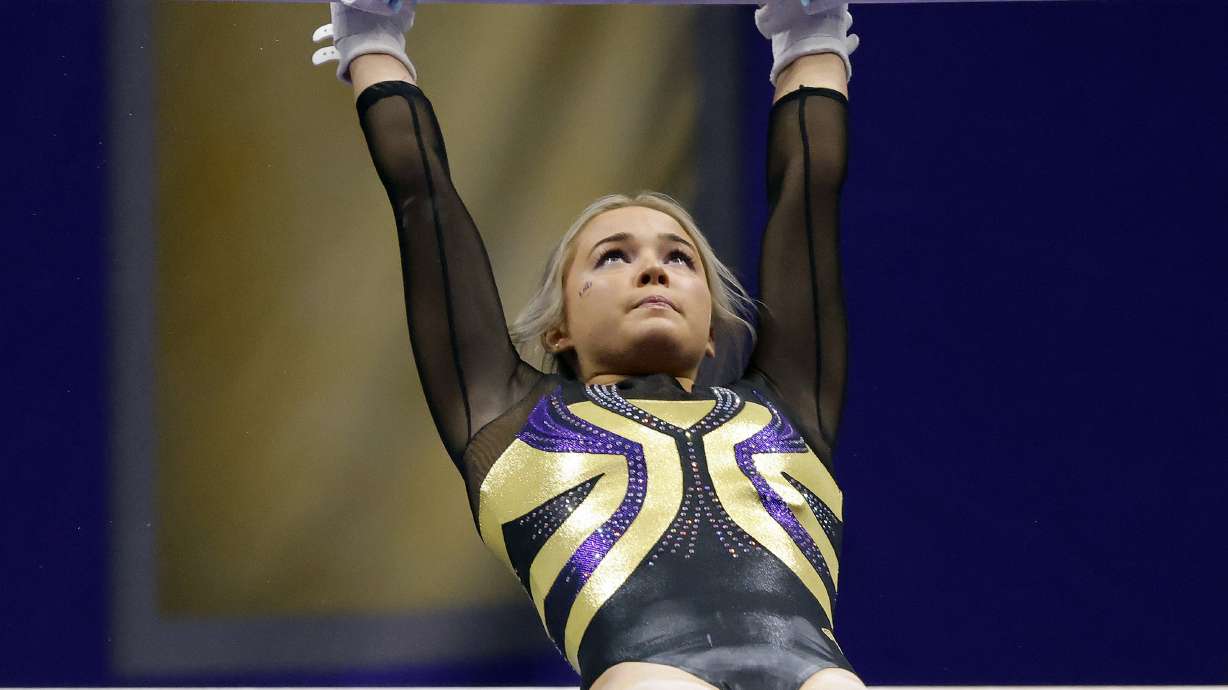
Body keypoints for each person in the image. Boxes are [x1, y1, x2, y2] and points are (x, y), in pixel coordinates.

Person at [310, 1, 862, 688]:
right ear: (559, 328)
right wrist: (371, 37)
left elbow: (808, 196)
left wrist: (808, 31)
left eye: (680, 258)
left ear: (713, 324)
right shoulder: (510, 418)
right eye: (612, 257)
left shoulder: (787, 408)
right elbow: (424, 197)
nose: (654, 268)